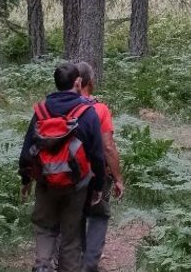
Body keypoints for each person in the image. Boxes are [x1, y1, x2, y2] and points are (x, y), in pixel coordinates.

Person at [20, 63, 107, 272]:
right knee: (71, 235)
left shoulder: (41, 110)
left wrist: (25, 179)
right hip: (76, 184)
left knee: (45, 228)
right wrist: (98, 186)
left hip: (45, 181)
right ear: (77, 82)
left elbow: (27, 149)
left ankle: (42, 266)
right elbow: (97, 154)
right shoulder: (87, 112)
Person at [76, 62, 125, 272]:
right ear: (91, 82)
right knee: (98, 215)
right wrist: (117, 178)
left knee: (74, 214)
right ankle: (90, 263)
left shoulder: (64, 107)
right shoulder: (100, 109)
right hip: (96, 173)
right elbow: (108, 147)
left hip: (70, 173)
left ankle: (76, 260)